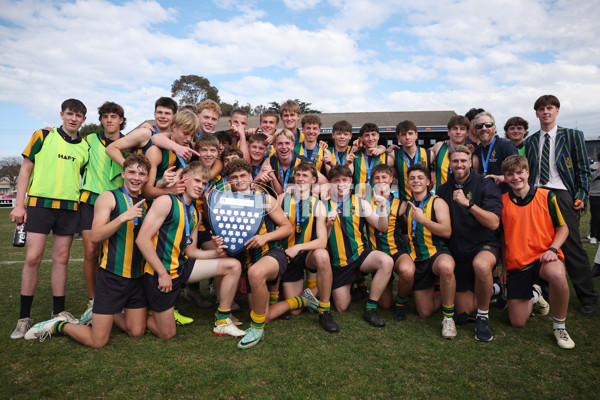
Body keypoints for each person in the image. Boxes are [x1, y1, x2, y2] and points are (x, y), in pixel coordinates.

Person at [24, 154, 151, 347]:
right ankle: (59, 325)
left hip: (137, 278)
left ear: (147, 178)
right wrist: (122, 218)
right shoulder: (109, 196)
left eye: (142, 174)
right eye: (132, 172)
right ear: (123, 173)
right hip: (112, 276)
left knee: (136, 332)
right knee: (97, 341)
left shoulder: (146, 203)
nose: (136, 177)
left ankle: (104, 312)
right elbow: (95, 235)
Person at [136, 162, 245, 339]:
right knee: (167, 334)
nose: (200, 186)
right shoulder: (166, 201)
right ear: (185, 179)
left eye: (204, 183)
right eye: (197, 181)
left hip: (181, 268)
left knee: (233, 265)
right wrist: (162, 273)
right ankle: (135, 314)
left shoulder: (196, 213)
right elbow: (142, 240)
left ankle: (223, 321)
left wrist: (216, 253)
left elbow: (192, 252)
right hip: (160, 272)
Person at [10, 99, 90, 339]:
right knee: (33, 258)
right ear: (62, 114)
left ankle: (58, 311)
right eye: (70, 114)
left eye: (78, 115)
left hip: (68, 207)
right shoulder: (43, 136)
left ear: (84, 120)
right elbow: (26, 169)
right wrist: (19, 204)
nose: (73, 119)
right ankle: (24, 318)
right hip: (39, 205)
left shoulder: (84, 146)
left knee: (62, 259)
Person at [524, 94, 598, 315]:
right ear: (536, 113)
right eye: (541, 109)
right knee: (538, 244)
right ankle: (542, 293)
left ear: (557, 111)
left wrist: (581, 195)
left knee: (572, 245)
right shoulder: (530, 141)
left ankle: (588, 298)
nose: (546, 112)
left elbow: (583, 169)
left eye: (550, 108)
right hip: (537, 194)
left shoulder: (573, 135)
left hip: (562, 193)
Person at [500, 155, 574, 349]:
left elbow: (563, 228)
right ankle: (535, 294)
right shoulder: (502, 202)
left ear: (527, 173)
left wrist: (553, 249)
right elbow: (502, 239)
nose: (515, 177)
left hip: (544, 257)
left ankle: (560, 327)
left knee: (557, 274)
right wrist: (505, 268)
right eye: (510, 174)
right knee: (517, 322)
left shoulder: (547, 196)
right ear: (505, 177)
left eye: (519, 173)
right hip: (518, 263)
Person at [222, 159, 293, 349]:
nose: (239, 180)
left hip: (271, 254)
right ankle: (303, 299)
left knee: (255, 273)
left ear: (250, 177)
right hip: (248, 261)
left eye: (243, 175)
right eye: (234, 177)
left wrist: (265, 237)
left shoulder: (265, 199)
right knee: (266, 314)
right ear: (228, 180)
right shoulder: (225, 202)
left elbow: (287, 228)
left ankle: (256, 328)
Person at [437, 145, 502, 342]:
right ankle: (495, 289)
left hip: (484, 245)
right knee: (464, 310)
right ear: (449, 163)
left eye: (463, 161)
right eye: (455, 161)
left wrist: (469, 204)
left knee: (481, 266)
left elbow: (494, 223)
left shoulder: (485, 184)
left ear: (470, 162)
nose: (459, 165)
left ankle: (483, 317)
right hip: (459, 251)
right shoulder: (443, 189)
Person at [78, 101, 127, 325]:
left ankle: (117, 299)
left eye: (113, 116)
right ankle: (93, 299)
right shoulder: (88, 140)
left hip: (117, 203)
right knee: (91, 251)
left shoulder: (128, 144)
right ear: (101, 120)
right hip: (90, 201)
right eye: (105, 116)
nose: (109, 120)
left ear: (121, 120)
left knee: (115, 253)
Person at [325, 165, 393, 327]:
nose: (340, 184)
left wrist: (383, 208)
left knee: (386, 262)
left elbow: (381, 227)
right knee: (341, 307)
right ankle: (357, 284)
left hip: (360, 254)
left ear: (350, 182)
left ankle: (370, 308)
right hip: (339, 261)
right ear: (330, 183)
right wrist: (328, 224)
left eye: (344, 180)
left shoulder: (360, 203)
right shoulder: (322, 204)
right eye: (336, 181)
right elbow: (322, 240)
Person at [275, 161, 338, 332]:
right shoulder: (282, 199)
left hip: (305, 254)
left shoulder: (318, 204)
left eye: (305, 175)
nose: (300, 178)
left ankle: (324, 311)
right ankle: (309, 296)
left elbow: (322, 242)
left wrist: (299, 247)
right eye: (298, 175)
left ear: (313, 180)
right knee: (295, 311)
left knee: (322, 255)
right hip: (287, 255)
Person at [402, 165, 456, 339]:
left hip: (436, 254)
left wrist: (423, 220)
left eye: (420, 177)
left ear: (428, 182)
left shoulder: (437, 202)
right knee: (425, 312)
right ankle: (444, 291)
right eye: (412, 178)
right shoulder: (406, 205)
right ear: (408, 182)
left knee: (447, 267)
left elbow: (446, 231)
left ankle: (448, 318)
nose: (416, 181)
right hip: (417, 259)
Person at [366, 165, 412, 317]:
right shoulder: (366, 202)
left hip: (397, 250)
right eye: (377, 178)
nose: (381, 181)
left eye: (384, 177)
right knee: (385, 305)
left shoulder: (402, 204)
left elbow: (406, 230)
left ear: (391, 180)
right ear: (372, 181)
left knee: (408, 271)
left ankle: (401, 302)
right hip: (377, 253)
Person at [105, 97, 183, 164]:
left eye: (167, 113)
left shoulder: (176, 137)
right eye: (159, 112)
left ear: (174, 116)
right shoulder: (145, 133)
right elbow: (111, 148)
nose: (162, 116)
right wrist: (127, 166)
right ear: (154, 114)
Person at [472, 111, 518, 188]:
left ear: (494, 128)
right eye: (479, 126)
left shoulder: (506, 146)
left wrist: (502, 178)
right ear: (475, 131)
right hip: (485, 196)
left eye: (488, 125)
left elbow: (519, 174)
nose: (484, 128)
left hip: (505, 196)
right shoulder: (477, 150)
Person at [393, 120, 432, 200]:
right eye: (403, 134)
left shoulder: (430, 154)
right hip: (405, 204)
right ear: (398, 137)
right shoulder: (393, 155)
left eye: (410, 133)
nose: (407, 137)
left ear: (416, 135)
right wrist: (381, 148)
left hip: (426, 204)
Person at [430, 115, 469, 191]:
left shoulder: (471, 151)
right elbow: (419, 155)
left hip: (464, 198)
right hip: (441, 198)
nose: (458, 132)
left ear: (467, 132)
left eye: (462, 129)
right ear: (449, 132)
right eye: (455, 128)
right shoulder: (439, 147)